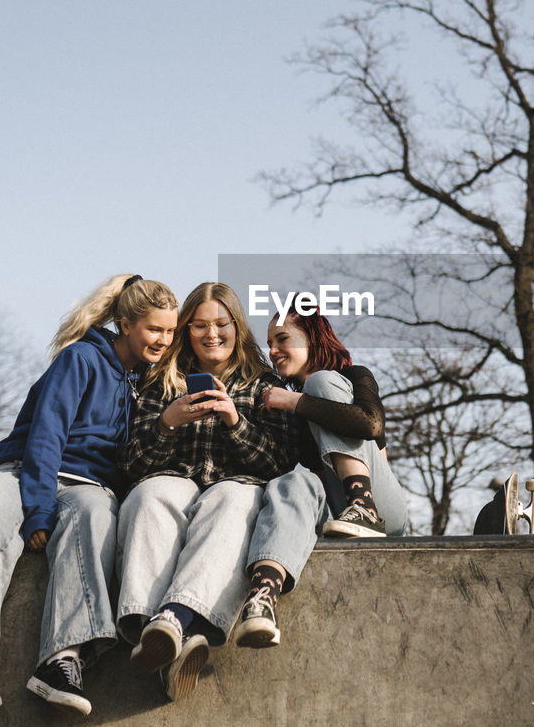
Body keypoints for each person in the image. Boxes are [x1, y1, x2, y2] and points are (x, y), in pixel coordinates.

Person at [0, 274, 177, 726]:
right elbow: (46, 435)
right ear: (125, 323)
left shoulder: (146, 386)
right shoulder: (80, 359)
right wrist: (38, 508)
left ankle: (62, 660)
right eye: (155, 329)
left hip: (88, 488)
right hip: (26, 470)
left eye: (170, 331)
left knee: (98, 516)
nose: (163, 339)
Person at [114, 282, 305, 701]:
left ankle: (173, 619)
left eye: (221, 323)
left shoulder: (264, 387)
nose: (211, 333)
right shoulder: (159, 382)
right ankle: (160, 628)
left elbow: (281, 467)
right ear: (187, 330)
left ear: (237, 327)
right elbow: (129, 467)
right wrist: (168, 422)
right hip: (171, 484)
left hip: (234, 491)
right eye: (199, 325)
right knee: (152, 494)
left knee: (233, 499)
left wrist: (236, 423)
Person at [231, 309, 407, 648]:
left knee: (321, 381)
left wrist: (296, 401)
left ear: (313, 338)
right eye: (269, 343)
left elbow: (369, 425)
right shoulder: (286, 406)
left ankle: (363, 506)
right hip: (335, 516)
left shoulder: (353, 376)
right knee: (290, 483)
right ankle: (262, 599)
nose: (273, 350)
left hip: (385, 512)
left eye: (283, 339)